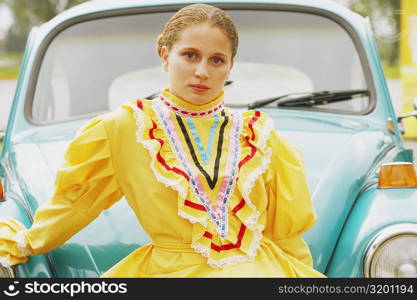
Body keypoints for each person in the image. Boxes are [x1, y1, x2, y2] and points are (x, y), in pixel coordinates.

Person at [0, 4, 324, 277]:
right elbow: (77, 201)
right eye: (190, 55)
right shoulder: (126, 128)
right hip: (170, 271)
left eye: (216, 60)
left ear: (230, 66)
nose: (202, 71)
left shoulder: (259, 134)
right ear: (165, 55)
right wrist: (30, 241)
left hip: (260, 270)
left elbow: (287, 234)